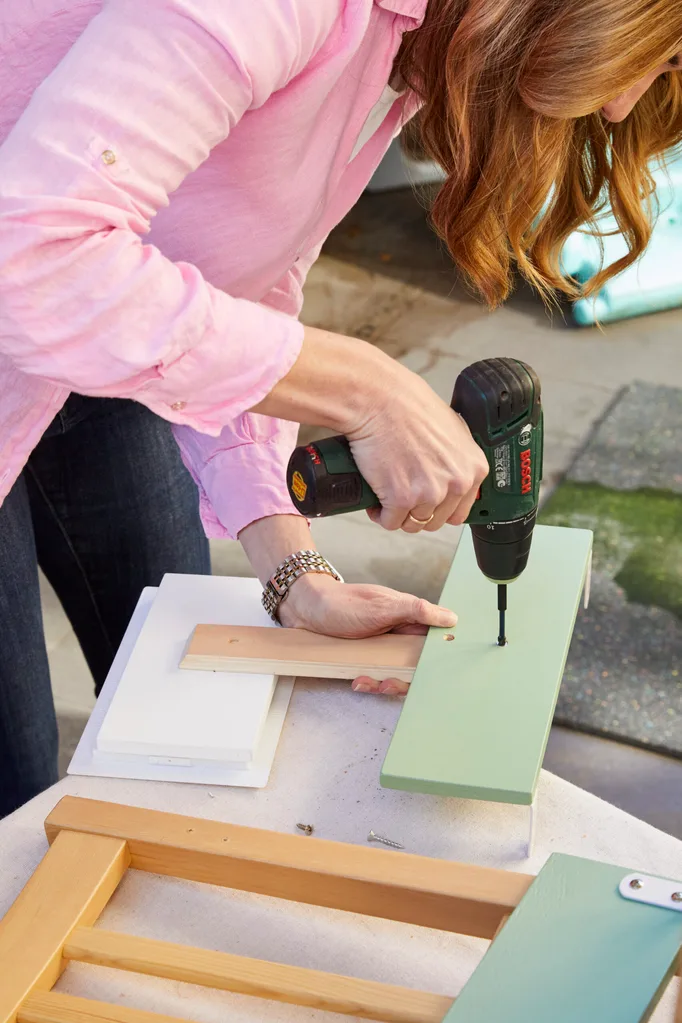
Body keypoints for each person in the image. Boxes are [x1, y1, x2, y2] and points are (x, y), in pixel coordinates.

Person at [0, 0, 680, 818]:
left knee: (178, 718)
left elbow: (241, 274)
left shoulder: (410, 52)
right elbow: (32, 262)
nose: (619, 104)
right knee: (19, 779)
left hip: (106, 341)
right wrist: (368, 389)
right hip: (39, 290)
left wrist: (295, 573)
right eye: (657, 54)